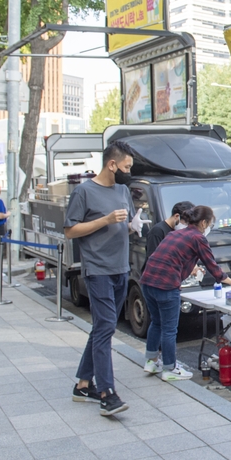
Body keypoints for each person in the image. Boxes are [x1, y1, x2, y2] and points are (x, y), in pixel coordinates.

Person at [64, 140, 141, 416]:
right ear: (112, 164)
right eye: (126, 167)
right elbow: (71, 231)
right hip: (97, 270)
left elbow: (126, 226)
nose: (128, 172)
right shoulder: (84, 192)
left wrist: (134, 226)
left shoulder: (123, 190)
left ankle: (84, 385)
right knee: (107, 326)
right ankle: (107, 392)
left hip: (121, 267)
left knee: (102, 327)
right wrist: (105, 220)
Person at [139, 205, 231, 380]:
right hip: (166, 286)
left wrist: (191, 267)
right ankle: (169, 369)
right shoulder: (198, 238)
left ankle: (151, 361)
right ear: (203, 223)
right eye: (210, 223)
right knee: (169, 329)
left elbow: (169, 257)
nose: (210, 227)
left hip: (147, 282)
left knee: (156, 323)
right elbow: (213, 267)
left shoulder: (175, 233)